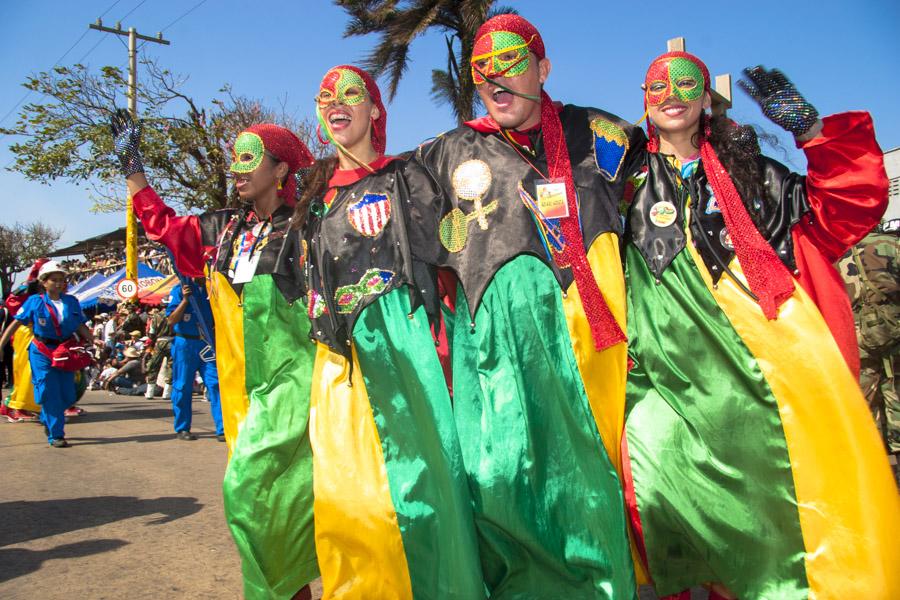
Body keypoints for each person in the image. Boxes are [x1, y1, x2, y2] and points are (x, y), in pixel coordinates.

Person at [621, 51, 900, 599]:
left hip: (759, 365)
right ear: (644, 99)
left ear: (706, 98)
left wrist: (813, 131)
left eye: (686, 82)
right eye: (658, 84)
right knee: (657, 481)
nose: (671, 91)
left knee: (768, 506)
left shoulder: (753, 171)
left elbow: (843, 207)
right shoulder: (618, 178)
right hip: (666, 364)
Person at [408, 14, 645, 598]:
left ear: (543, 67)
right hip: (492, 346)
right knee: (498, 478)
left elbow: (666, 207)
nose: (496, 79)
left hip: (591, 348)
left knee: (588, 482)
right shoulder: (442, 155)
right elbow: (394, 237)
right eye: (482, 71)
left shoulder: (606, 135)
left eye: (513, 63)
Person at [110, 111, 316, 599]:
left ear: (281, 169)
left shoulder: (309, 229)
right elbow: (161, 224)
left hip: (295, 380)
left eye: (249, 159)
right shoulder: (220, 229)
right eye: (234, 160)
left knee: (245, 491)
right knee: (272, 505)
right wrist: (132, 167)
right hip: (241, 386)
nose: (236, 170)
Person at [299, 64, 482, 598]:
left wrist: (448, 355)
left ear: (375, 110)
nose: (337, 101)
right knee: (346, 499)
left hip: (407, 353)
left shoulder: (409, 176)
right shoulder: (311, 195)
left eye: (352, 93)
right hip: (336, 365)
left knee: (421, 493)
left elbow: (447, 262)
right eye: (326, 94)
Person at [0, 261, 94, 447]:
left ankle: (46, 416)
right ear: (44, 282)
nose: (59, 283)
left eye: (62, 280)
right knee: (49, 391)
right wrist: (1, 344)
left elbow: (80, 325)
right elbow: (17, 323)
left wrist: (92, 340)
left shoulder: (71, 302)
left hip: (65, 351)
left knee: (68, 395)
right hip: (41, 350)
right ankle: (56, 434)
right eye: (54, 280)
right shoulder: (35, 302)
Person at [840, 225, 900, 481]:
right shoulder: (891, 245)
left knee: (865, 405)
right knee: (895, 393)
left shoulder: (836, 254)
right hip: (894, 333)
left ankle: (876, 473)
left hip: (856, 339)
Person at [165, 279, 222, 440]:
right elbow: (171, 320)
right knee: (182, 386)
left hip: (206, 343)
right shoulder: (179, 289)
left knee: (215, 383)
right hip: (185, 343)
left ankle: (222, 428)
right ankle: (183, 428)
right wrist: (184, 300)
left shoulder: (210, 288)